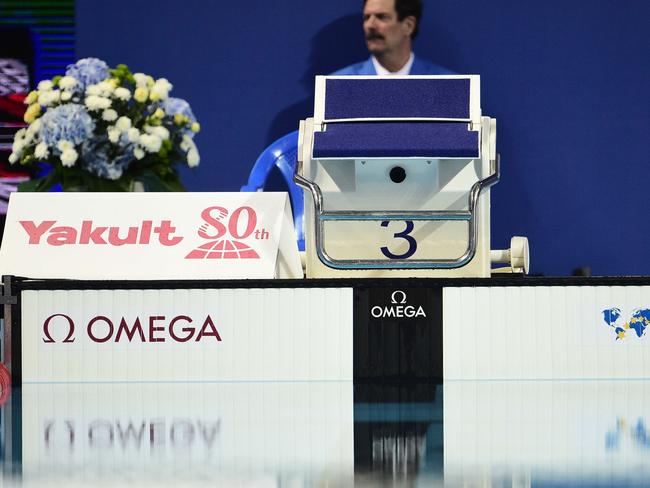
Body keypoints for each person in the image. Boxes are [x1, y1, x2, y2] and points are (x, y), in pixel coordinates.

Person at [331, 0, 452, 76]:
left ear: (408, 25)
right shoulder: (339, 85)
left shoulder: (446, 84)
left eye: (382, 17)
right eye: (367, 17)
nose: (370, 25)